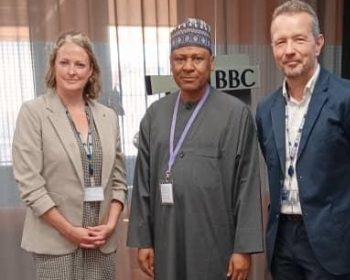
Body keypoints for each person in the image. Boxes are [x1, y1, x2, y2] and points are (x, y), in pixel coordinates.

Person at [255, 1, 350, 279]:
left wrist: (346, 218)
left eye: (299, 39)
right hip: (282, 239)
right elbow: (275, 168)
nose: (289, 50)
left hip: (333, 237)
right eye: (280, 42)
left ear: (319, 43)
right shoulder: (266, 109)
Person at [127, 18, 263, 280]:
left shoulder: (237, 114)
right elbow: (142, 182)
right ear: (171, 63)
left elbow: (247, 184)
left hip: (216, 240)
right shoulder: (155, 115)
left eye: (197, 58)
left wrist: (243, 249)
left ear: (211, 63)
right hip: (167, 238)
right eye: (180, 59)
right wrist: (143, 240)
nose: (188, 66)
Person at [12, 31, 127, 280]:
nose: (71, 71)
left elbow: (119, 181)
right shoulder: (33, 113)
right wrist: (70, 231)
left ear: (91, 72)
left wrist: (110, 225)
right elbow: (30, 185)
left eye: (80, 64)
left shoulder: (108, 117)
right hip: (56, 243)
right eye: (64, 63)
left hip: (100, 242)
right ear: (54, 67)